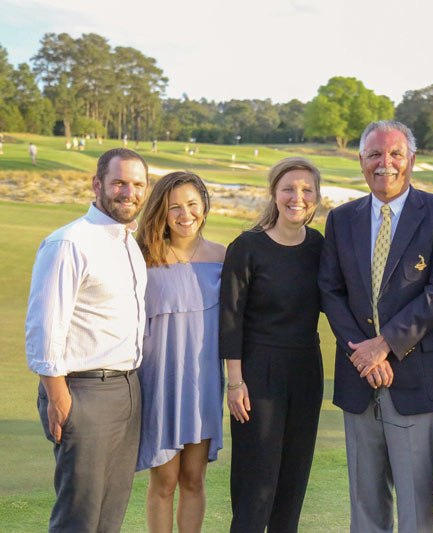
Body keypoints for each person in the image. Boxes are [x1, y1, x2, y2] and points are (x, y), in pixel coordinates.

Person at [319, 120, 433, 533]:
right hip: (358, 380)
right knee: (366, 507)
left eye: (395, 154)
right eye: (374, 155)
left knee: (417, 511)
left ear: (412, 160)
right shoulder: (341, 218)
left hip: (418, 379)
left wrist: (384, 345)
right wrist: (362, 355)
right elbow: (330, 291)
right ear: (361, 161)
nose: (385, 163)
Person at [25, 147, 149, 531]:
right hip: (83, 391)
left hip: (127, 388)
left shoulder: (128, 243)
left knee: (110, 513)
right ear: (98, 185)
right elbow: (45, 325)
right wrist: (58, 395)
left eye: (138, 184)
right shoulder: (70, 243)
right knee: (78, 516)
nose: (129, 192)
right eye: (119, 183)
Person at [220, 156, 325, 532]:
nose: (297, 197)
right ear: (274, 194)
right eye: (288, 189)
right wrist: (235, 382)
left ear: (316, 196)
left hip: (306, 371)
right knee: (256, 483)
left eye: (306, 190)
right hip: (257, 374)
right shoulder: (247, 247)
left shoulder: (319, 246)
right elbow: (230, 320)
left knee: (292, 482)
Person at [135, 172, 226, 532]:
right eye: (174, 207)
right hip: (159, 383)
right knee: (164, 481)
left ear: (204, 206)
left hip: (203, 384)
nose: (184, 214)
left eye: (192, 204)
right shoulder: (143, 256)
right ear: (162, 210)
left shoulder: (224, 256)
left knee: (193, 479)